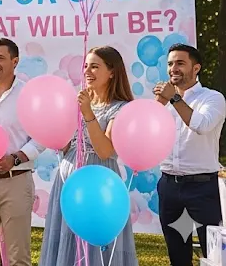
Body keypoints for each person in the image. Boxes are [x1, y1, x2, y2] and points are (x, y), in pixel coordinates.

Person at [39, 46, 138, 266]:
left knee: (96, 238)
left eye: (95, 66)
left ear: (112, 72)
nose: (87, 71)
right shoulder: (79, 103)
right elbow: (65, 145)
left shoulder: (121, 108)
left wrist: (87, 114)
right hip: (68, 181)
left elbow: (105, 151)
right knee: (68, 238)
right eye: (86, 66)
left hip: (99, 183)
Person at [153, 43, 225, 266]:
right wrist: (158, 105)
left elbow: (201, 125)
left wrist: (174, 99)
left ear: (196, 68)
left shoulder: (213, 98)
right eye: (170, 63)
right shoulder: (163, 102)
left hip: (203, 189)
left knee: (213, 255)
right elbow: (147, 135)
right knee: (178, 255)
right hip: (169, 187)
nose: (174, 68)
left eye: (180, 63)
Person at [0, 38, 42, 266]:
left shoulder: (29, 95)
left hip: (16, 182)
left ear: (15, 61)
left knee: (18, 257)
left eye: (0, 58)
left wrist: (15, 158)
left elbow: (41, 136)